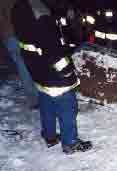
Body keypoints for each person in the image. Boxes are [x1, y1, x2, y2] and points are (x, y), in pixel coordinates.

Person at [11, 0, 92, 154]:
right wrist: (67, 71)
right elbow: (51, 47)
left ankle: (50, 136)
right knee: (67, 107)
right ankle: (70, 143)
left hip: (36, 66)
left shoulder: (20, 6)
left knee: (46, 100)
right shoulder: (39, 11)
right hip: (52, 70)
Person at [0, 0, 38, 107]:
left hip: (10, 36)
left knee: (22, 65)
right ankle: (35, 97)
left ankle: (34, 97)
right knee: (25, 65)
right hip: (16, 35)